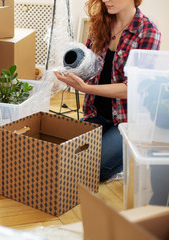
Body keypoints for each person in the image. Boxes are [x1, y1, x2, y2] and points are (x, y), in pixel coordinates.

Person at [54, 0, 161, 181]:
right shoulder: (100, 23)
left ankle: (133, 153)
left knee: (95, 169)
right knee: (65, 156)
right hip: (95, 113)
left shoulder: (148, 32)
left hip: (128, 123)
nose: (106, 0)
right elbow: (90, 69)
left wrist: (86, 88)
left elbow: (133, 89)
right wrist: (72, 70)